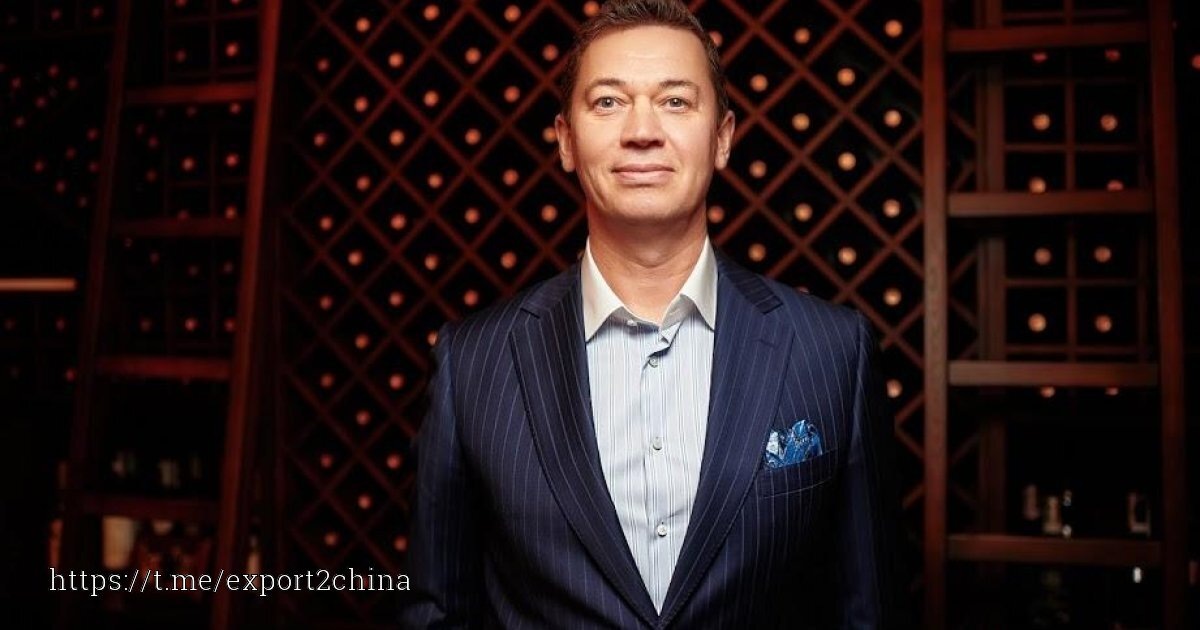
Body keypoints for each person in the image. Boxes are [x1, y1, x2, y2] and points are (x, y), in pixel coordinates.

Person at [400, 0, 908, 627]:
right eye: (608, 101)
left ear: (722, 138)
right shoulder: (473, 362)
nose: (642, 130)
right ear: (566, 140)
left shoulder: (833, 351)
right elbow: (437, 611)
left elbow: (869, 610)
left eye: (674, 101)